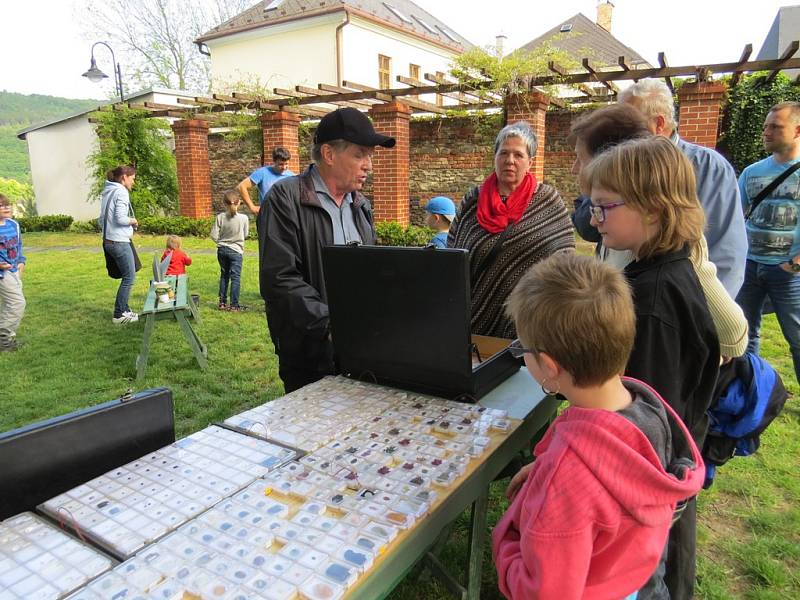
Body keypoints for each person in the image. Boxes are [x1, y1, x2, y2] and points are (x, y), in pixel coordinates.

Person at [495, 252, 705, 600]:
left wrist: (507, 548)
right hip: (640, 585)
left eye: (523, 349)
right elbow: (616, 474)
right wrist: (547, 465)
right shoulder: (649, 411)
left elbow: (543, 593)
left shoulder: (566, 480)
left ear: (549, 366)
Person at [583, 136, 720, 600]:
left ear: (655, 209)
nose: (593, 218)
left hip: (644, 484)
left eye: (604, 207)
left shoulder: (654, 299)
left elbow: (644, 417)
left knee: (640, 578)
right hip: (660, 470)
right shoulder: (665, 272)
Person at [570, 103, 748, 359]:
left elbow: (731, 335)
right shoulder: (623, 234)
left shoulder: (669, 257)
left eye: (581, 158)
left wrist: (697, 364)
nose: (575, 168)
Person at [258, 107, 394, 393]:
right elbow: (279, 279)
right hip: (308, 356)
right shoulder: (285, 199)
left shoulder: (361, 206)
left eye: (370, 155)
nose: (368, 165)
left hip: (362, 352)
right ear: (329, 154)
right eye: (360, 154)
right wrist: (334, 326)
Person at [618, 78, 747, 297]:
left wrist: (703, 313)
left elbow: (727, 251)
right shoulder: (624, 164)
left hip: (687, 304)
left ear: (658, 124)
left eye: (629, 125)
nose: (621, 134)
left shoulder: (708, 167)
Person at [448, 121, 574, 338]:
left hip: (527, 318)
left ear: (530, 162)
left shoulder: (547, 201)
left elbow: (565, 256)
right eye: (503, 153)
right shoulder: (472, 200)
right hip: (472, 315)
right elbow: (452, 252)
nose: (510, 160)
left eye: (518, 155)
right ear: (495, 158)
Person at [736, 101, 800, 385]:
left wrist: (796, 264)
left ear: (797, 130)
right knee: (745, 335)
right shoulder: (751, 172)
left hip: (789, 273)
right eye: (765, 126)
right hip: (750, 267)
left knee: (797, 338)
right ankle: (751, 392)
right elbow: (735, 218)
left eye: (776, 127)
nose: (766, 132)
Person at [99, 165, 139, 325]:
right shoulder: (121, 192)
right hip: (119, 242)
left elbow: (101, 219)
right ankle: (119, 314)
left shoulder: (108, 191)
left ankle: (125, 309)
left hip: (109, 240)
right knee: (129, 277)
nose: (133, 182)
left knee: (128, 274)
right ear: (124, 177)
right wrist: (133, 221)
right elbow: (120, 219)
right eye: (132, 179)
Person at [211, 190, 249, 312]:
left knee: (224, 275)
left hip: (222, 250)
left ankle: (222, 303)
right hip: (236, 251)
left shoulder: (220, 217)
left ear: (224, 203)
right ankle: (234, 305)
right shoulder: (243, 218)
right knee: (235, 278)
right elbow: (246, 234)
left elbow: (213, 235)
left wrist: (220, 242)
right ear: (238, 203)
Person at [0, 194, 26, 352]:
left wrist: (21, 262)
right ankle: (3, 339)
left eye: (7, 205)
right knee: (17, 303)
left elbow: (19, 246)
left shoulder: (13, 224)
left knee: (9, 304)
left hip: (15, 270)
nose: (6, 207)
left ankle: (5, 339)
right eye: (1, 205)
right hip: (2, 273)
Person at [237, 146, 294, 215]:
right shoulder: (263, 172)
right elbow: (241, 187)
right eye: (281, 164)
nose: (284, 167)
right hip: (267, 214)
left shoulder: (292, 176)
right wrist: (252, 207)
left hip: (285, 214)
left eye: (286, 164)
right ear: (274, 161)